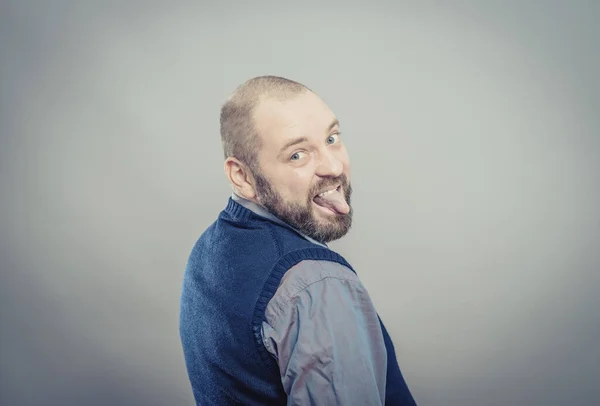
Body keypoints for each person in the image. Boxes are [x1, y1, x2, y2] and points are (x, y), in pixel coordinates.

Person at [179, 76, 417, 405]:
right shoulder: (317, 286)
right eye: (297, 155)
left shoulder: (208, 249)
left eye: (332, 138)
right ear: (242, 176)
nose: (334, 166)